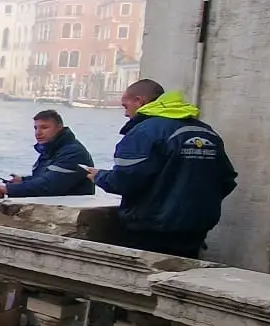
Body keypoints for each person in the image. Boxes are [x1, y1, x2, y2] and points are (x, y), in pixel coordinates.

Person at [87, 79, 236, 258]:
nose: (125, 114)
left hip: (151, 230)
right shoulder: (205, 131)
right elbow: (226, 180)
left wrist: (99, 176)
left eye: (125, 106)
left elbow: (126, 180)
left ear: (139, 101)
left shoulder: (145, 132)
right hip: (195, 230)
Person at [0, 109, 94, 199]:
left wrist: (9, 189)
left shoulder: (73, 153)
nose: (38, 132)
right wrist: (22, 181)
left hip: (72, 212)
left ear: (59, 127)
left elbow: (51, 185)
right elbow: (46, 178)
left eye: (44, 127)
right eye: (36, 128)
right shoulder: (52, 149)